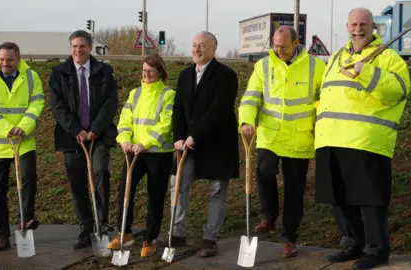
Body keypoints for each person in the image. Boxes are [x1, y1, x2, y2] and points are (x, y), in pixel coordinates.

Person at [314, 8, 410, 269]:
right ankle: (352, 243)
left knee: (369, 199)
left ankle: (377, 250)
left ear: (373, 27)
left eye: (364, 24)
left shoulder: (389, 57)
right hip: (330, 138)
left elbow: (399, 90)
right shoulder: (335, 57)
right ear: (347, 27)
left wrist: (366, 72)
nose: (358, 29)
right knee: (339, 198)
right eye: (354, 24)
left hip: (365, 140)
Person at [238, 25, 326, 258]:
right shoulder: (264, 65)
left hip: (300, 136)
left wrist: (319, 119)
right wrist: (246, 120)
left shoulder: (316, 66)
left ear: (296, 43)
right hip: (270, 134)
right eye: (275, 46)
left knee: (294, 189)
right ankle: (269, 217)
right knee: (264, 172)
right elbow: (251, 96)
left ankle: (290, 237)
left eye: (284, 47)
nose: (279, 51)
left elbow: (324, 98)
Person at [161, 31, 239, 258]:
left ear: (213, 50)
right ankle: (176, 234)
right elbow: (178, 110)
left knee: (217, 191)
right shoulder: (185, 76)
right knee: (178, 184)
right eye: (194, 45)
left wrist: (195, 135)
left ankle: (210, 238)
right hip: (186, 144)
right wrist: (178, 136)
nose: (196, 50)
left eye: (202, 46)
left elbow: (219, 110)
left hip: (216, 143)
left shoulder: (226, 75)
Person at [49, 30, 118, 249]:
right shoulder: (59, 72)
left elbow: (111, 102)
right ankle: (86, 227)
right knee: (77, 182)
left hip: (99, 135)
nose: (78, 50)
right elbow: (57, 105)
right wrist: (77, 130)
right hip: (72, 137)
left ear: (89, 48)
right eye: (74, 46)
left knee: (99, 172)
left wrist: (95, 130)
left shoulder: (104, 71)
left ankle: (101, 222)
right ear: (71, 48)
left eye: (82, 46)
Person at [0, 42, 45, 251]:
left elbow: (37, 104)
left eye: (9, 60)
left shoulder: (32, 77)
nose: (4, 63)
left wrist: (23, 127)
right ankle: (2, 235)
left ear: (19, 59)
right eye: (1, 59)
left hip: (23, 142)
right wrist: (7, 129)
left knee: (29, 177)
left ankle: (26, 219)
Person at [106, 54, 175, 257]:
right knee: (124, 191)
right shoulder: (135, 93)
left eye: (150, 71)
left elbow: (166, 123)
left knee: (155, 196)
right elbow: (125, 119)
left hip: (158, 153)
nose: (146, 74)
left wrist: (145, 143)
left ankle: (150, 238)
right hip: (133, 152)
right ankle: (124, 232)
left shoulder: (168, 94)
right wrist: (125, 140)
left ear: (160, 72)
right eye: (144, 70)